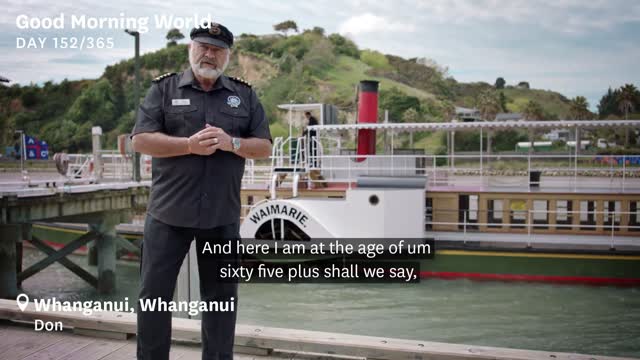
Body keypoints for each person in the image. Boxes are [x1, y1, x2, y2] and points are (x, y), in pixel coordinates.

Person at [130, 21, 272, 360]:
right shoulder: (163, 91)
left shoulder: (245, 95)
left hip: (221, 216)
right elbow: (140, 140)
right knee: (154, 297)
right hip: (168, 214)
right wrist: (188, 146)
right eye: (202, 46)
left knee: (221, 300)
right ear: (190, 49)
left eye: (217, 49)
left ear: (228, 56)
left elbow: (264, 146)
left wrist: (232, 141)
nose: (209, 53)